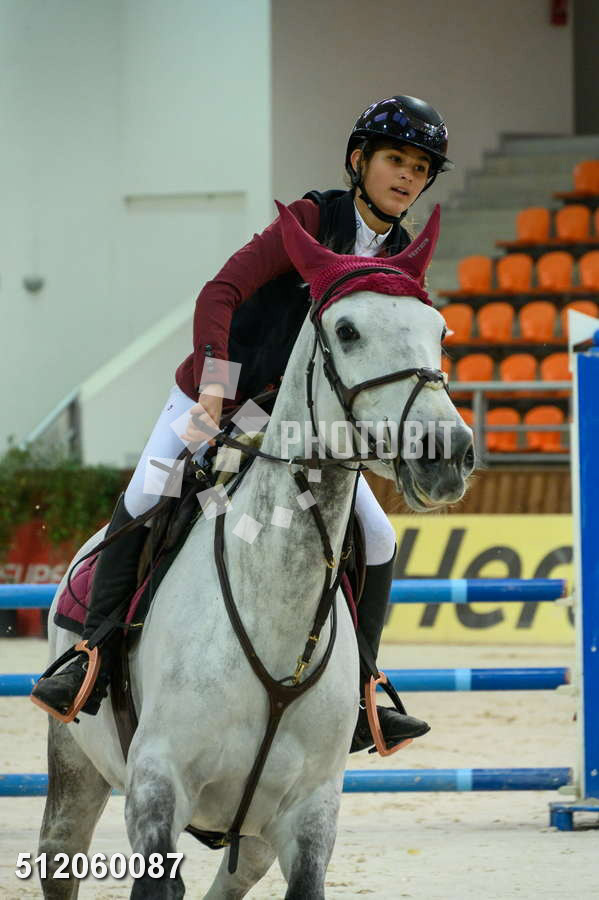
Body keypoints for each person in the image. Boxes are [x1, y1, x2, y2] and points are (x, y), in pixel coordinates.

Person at [33, 95, 454, 753]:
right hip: (221, 397)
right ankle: (92, 656)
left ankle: (363, 688)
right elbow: (220, 293)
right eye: (395, 159)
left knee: (377, 536)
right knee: (149, 493)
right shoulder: (311, 220)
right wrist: (213, 384)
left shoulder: (398, 254)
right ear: (358, 160)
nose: (407, 176)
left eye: (420, 168)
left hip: (299, 423)